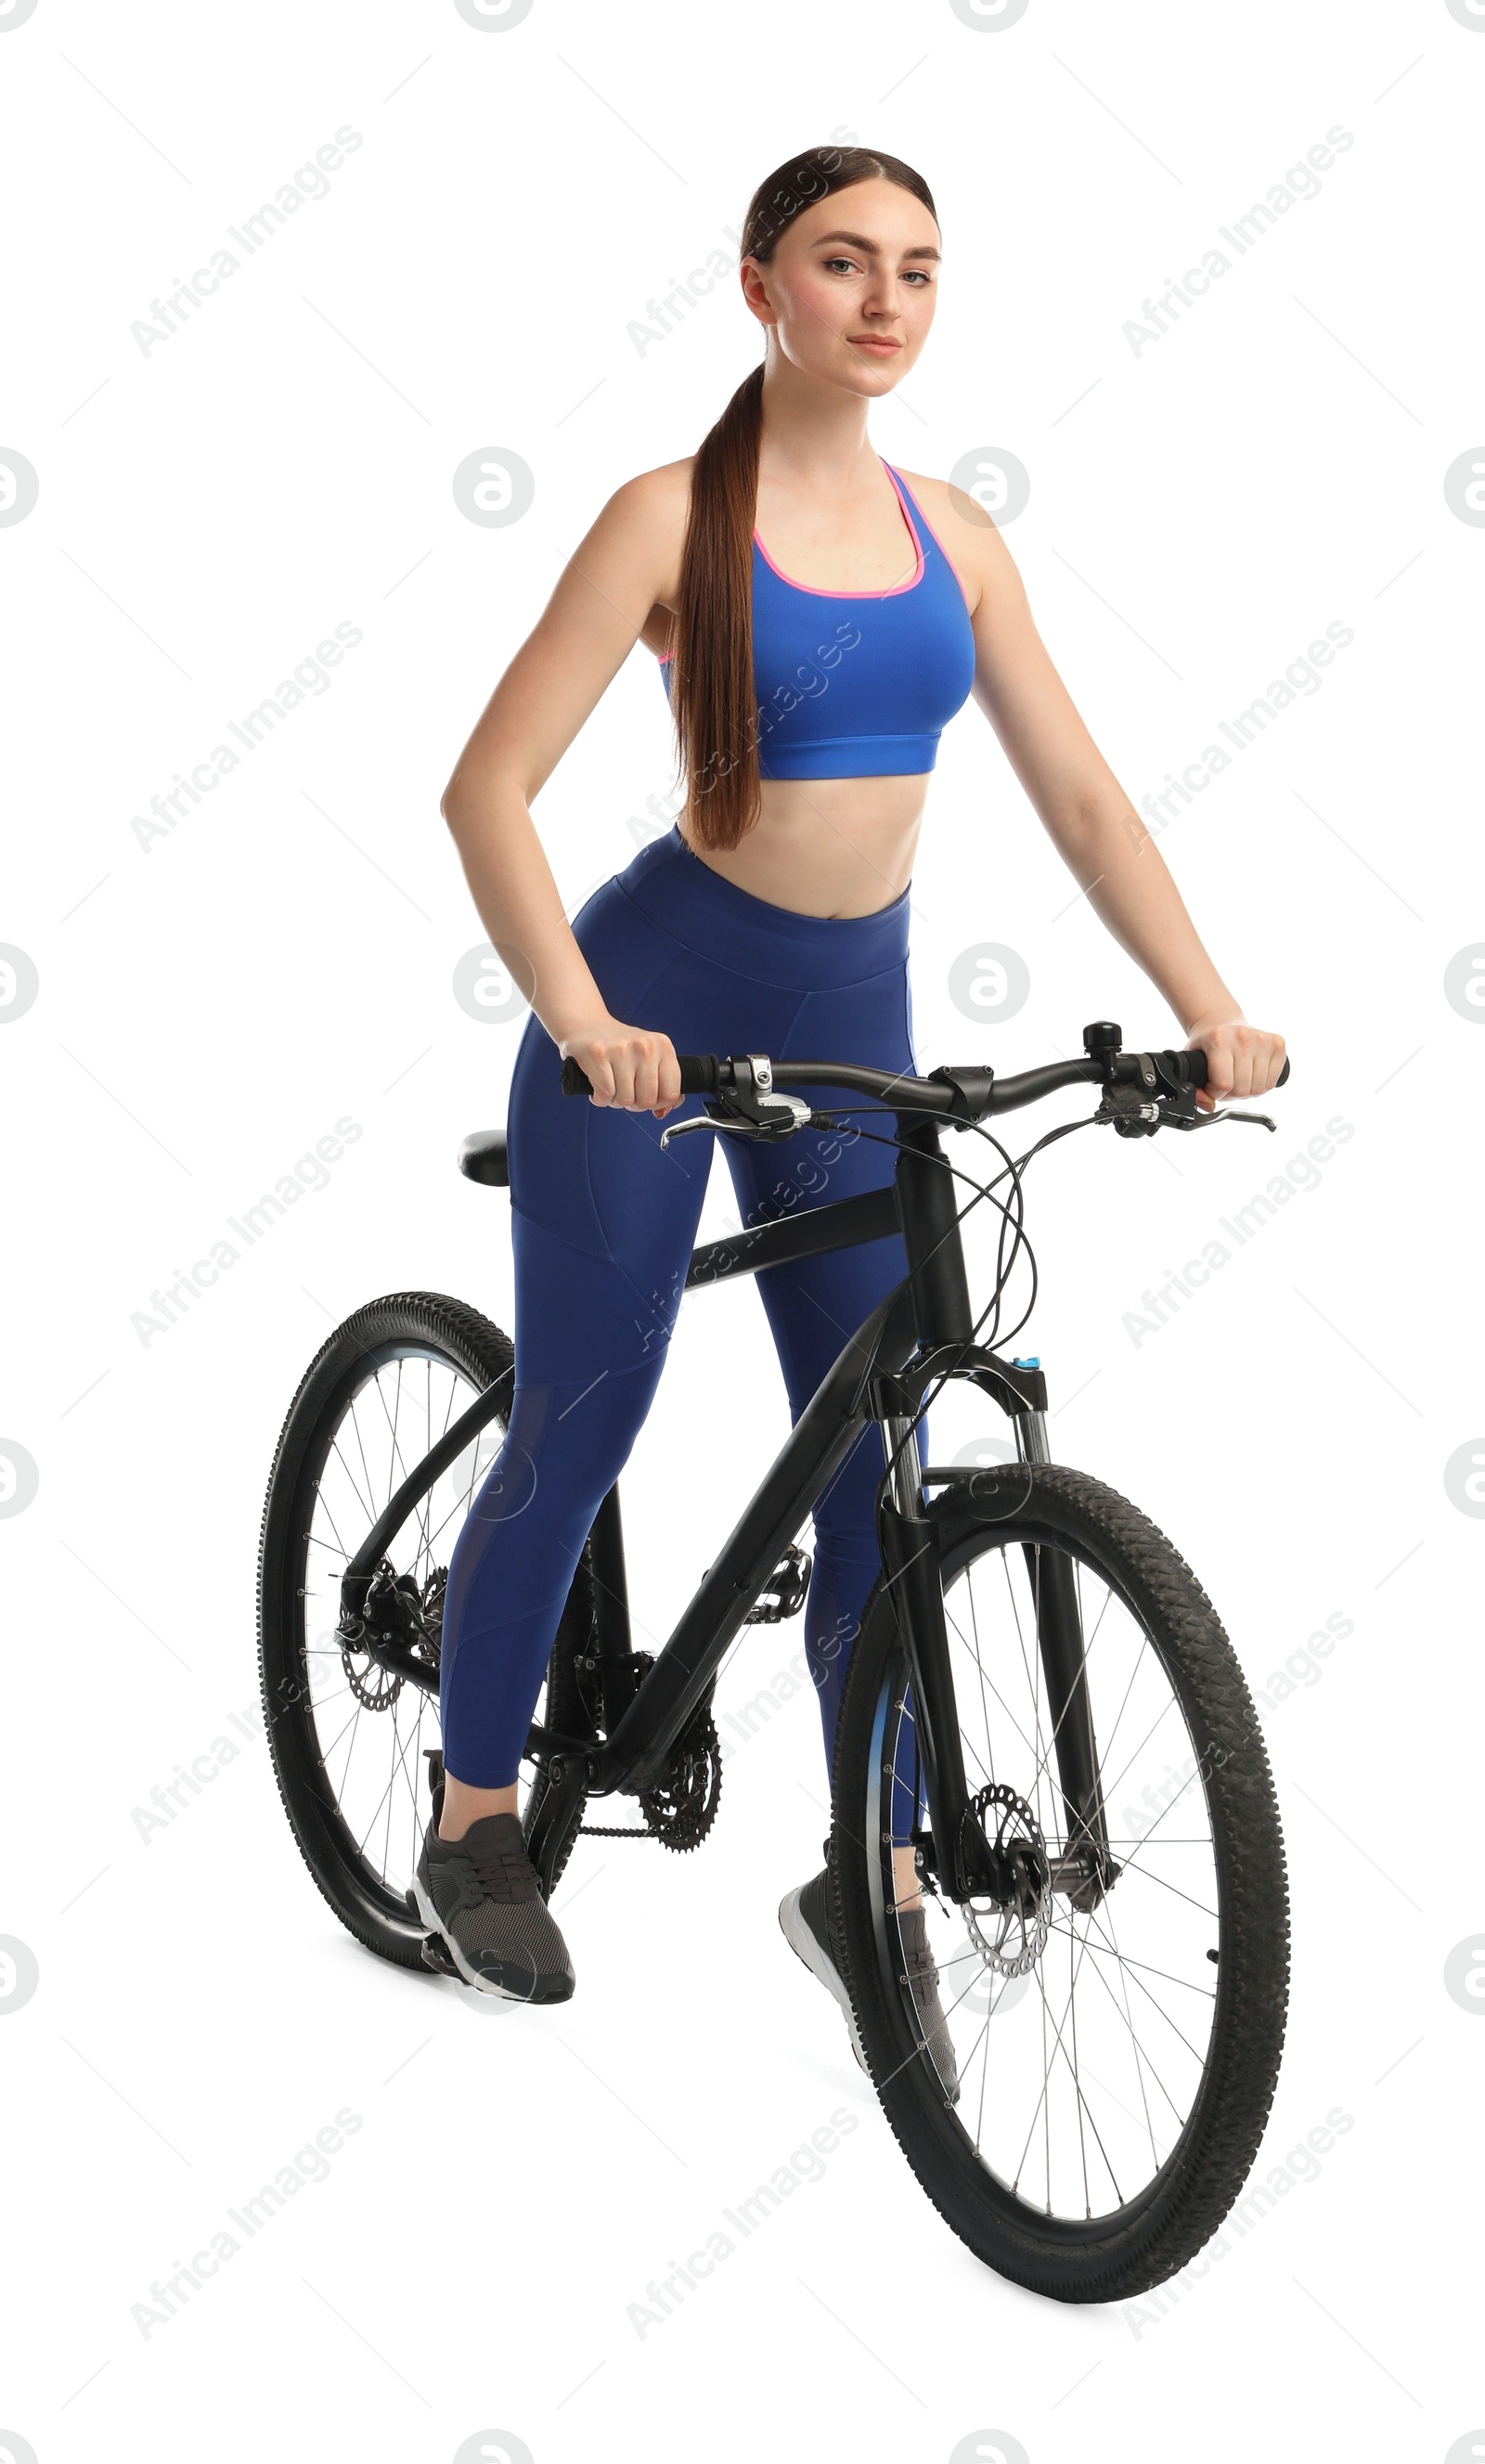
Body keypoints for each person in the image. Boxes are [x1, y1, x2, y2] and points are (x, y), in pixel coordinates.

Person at [413, 146, 1286, 2035]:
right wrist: (580, 1019)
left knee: (882, 1444)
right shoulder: (666, 519)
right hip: (646, 1011)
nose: (882, 299)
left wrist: (1204, 1005)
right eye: (840, 263)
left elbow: (1078, 797)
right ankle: (476, 1813)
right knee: (586, 1409)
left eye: (915, 268)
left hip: (845, 1037)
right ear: (759, 288)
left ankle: (865, 1864)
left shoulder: (954, 538)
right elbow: (487, 789)